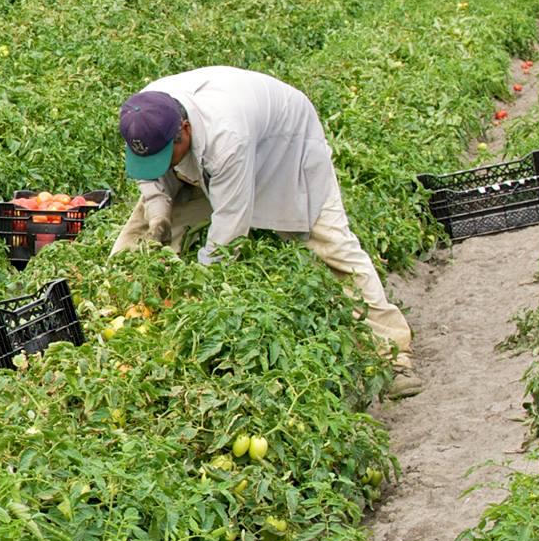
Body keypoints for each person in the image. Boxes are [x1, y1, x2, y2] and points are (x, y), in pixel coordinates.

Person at [113, 67, 419, 395]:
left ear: (184, 130)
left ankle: (392, 358)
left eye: (164, 157)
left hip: (285, 149)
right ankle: (120, 326)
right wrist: (159, 212)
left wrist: (198, 298)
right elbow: (150, 175)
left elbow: (228, 232)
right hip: (210, 152)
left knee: (332, 246)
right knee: (137, 246)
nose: (161, 165)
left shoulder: (227, 137)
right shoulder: (145, 114)